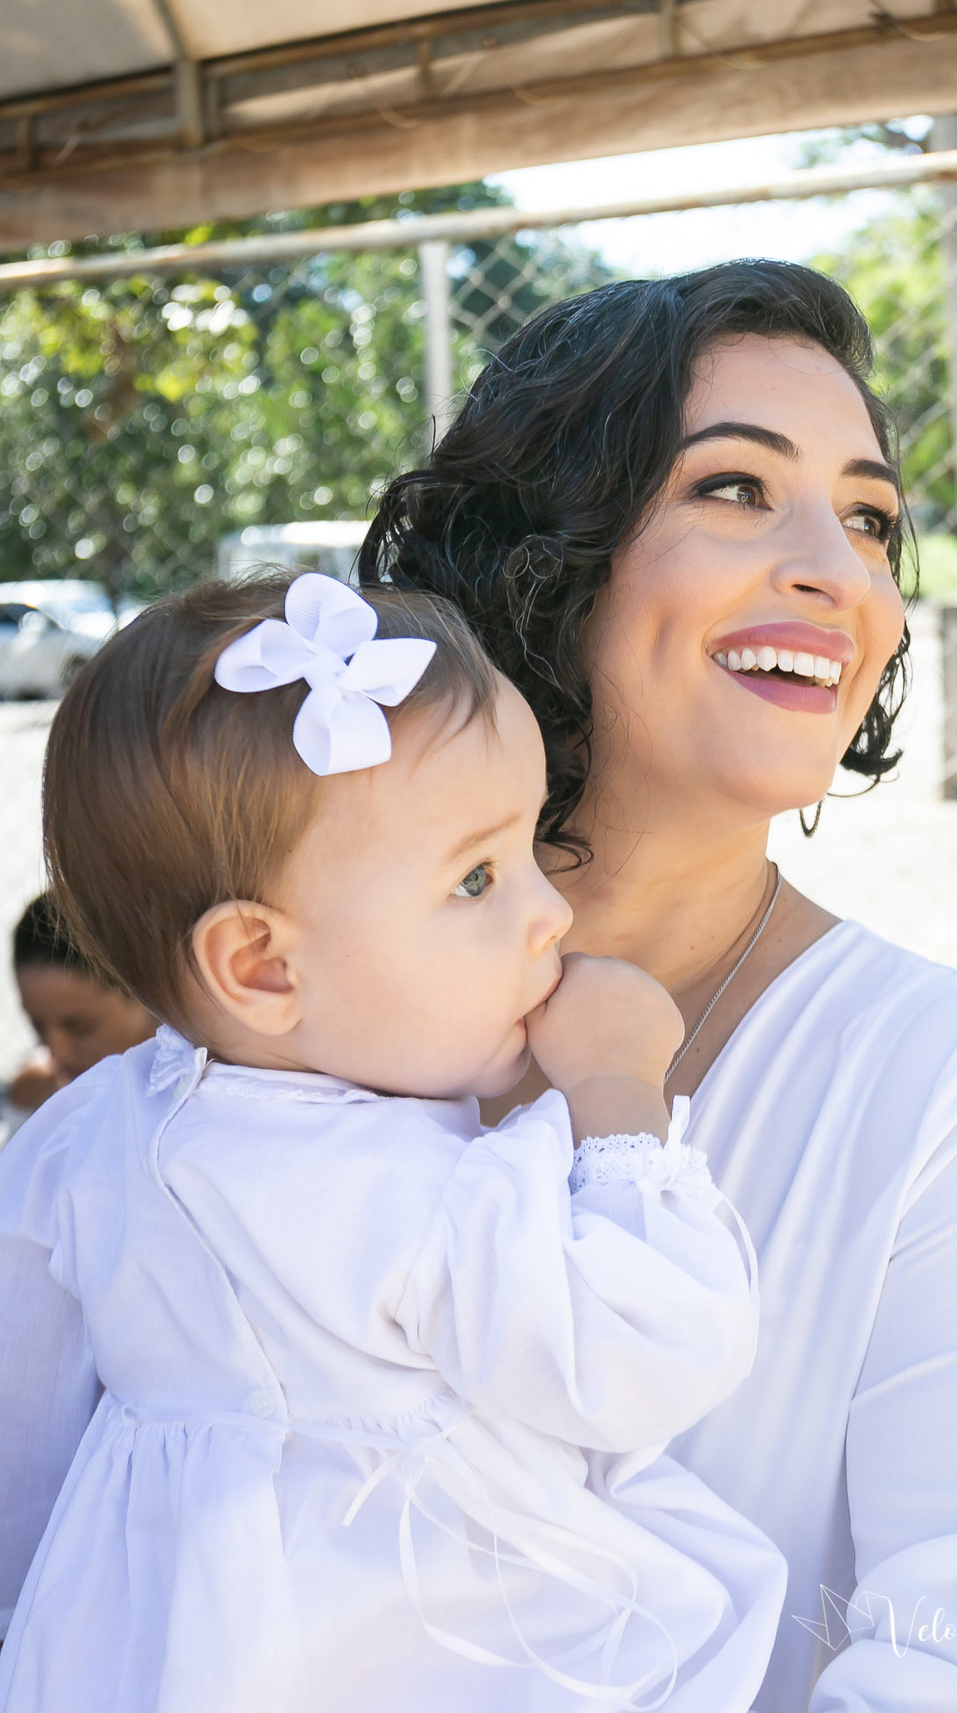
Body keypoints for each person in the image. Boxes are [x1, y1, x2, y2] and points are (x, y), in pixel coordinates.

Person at [355, 262, 957, 1711]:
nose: (841, 573)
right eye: (733, 488)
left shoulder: (940, 1076)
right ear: (545, 553)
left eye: (871, 519)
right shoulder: (279, 1012)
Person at [0, 571, 786, 1713]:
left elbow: (22, 1422)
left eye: (528, 848)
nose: (551, 913)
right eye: (476, 878)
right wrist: (618, 1091)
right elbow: (647, 1353)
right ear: (263, 966)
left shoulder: (79, 1140)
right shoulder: (429, 1198)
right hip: (447, 1655)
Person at [2, 895, 156, 1137]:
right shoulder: (38, 1100)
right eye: (37, 1025)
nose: (57, 1053)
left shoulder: (204, 1096)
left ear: (144, 996)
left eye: (80, 1027)